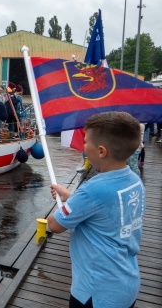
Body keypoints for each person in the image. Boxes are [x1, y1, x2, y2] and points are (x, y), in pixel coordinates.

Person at [48, 111, 145, 308]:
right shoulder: (135, 181)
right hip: (125, 285)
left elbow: (55, 225)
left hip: (95, 293)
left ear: (101, 151)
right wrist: (70, 196)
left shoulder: (93, 189)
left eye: (85, 142)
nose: (83, 147)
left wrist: (68, 204)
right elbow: (105, 208)